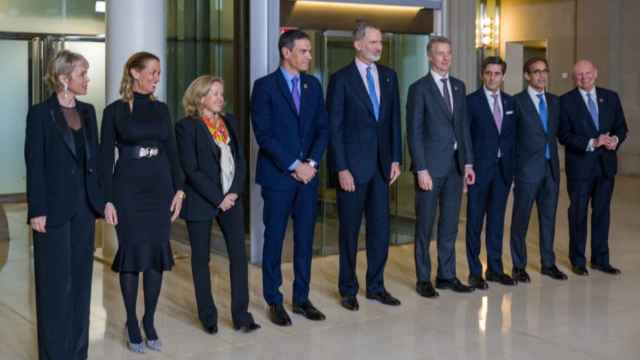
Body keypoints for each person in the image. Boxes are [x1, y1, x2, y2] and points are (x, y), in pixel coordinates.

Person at [100, 51, 185, 353]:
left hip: (160, 187)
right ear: (135, 73)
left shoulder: (162, 110)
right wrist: (107, 200)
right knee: (133, 253)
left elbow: (173, 151)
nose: (156, 78)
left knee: (156, 255)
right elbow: (104, 158)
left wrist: (179, 190)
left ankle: (149, 320)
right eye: (152, 72)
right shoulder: (114, 111)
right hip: (128, 189)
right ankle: (132, 322)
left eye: (159, 73)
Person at [25, 49, 104, 360]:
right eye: (82, 74)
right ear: (63, 78)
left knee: (82, 286)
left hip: (83, 210)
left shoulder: (88, 111)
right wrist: (37, 210)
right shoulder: (40, 113)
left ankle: (77, 353)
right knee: (54, 288)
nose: (87, 79)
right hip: (52, 212)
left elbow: (93, 161)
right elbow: (35, 164)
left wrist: (99, 203)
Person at [250, 29, 329, 326]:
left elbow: (323, 128)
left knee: (305, 240)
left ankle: (301, 298)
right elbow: (265, 135)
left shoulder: (313, 85)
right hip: (279, 178)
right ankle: (274, 299)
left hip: (308, 178)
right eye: (304, 51)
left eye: (309, 51)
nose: (309, 56)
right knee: (274, 239)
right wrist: (294, 164)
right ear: (286, 52)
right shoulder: (265, 87)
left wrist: (310, 163)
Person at [176, 75, 260, 334]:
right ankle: (208, 316)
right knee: (201, 259)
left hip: (232, 199)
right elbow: (191, 169)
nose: (220, 98)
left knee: (238, 256)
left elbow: (240, 161)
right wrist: (218, 198)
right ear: (200, 98)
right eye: (214, 93)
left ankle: (241, 315)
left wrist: (233, 193)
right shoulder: (186, 127)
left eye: (221, 93)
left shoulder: (229, 122)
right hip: (202, 200)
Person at [327, 21, 402, 311]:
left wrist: (396, 158)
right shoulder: (341, 79)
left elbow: (394, 120)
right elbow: (334, 129)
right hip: (353, 170)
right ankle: (348, 289)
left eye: (380, 42)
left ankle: (376, 286)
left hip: (382, 169)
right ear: (357, 44)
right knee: (349, 231)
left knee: (380, 230)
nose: (378, 47)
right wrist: (341, 169)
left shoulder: (389, 77)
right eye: (372, 42)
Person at [406, 36, 476, 298]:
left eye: (448, 53)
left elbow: (463, 128)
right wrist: (420, 168)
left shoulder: (459, 86)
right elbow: (413, 132)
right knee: (425, 226)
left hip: (456, 168)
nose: (445, 58)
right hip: (430, 169)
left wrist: (468, 162)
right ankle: (423, 278)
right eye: (440, 53)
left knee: (449, 225)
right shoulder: (419, 89)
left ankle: (446, 275)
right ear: (429, 56)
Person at [558, 60, 628, 275]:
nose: (584, 77)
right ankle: (578, 260)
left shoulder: (611, 97)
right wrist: (592, 142)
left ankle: (600, 259)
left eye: (587, 73)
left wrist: (615, 139)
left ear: (595, 73)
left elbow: (621, 127)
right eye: (579, 75)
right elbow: (564, 135)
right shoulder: (565, 101)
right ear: (573, 78)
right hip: (580, 168)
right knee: (578, 213)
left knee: (602, 213)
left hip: (605, 166)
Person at [510, 57, 567, 282]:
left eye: (544, 71)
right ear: (527, 76)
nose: (541, 76)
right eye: (536, 72)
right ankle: (518, 265)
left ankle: (548, 263)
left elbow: (560, 133)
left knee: (548, 219)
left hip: (551, 170)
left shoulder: (555, 101)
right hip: (526, 171)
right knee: (520, 220)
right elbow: (511, 139)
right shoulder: (517, 102)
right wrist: (513, 172)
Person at [464, 56, 517, 289]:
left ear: (502, 76)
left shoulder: (511, 102)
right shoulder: (471, 102)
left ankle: (495, 269)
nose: (492, 77)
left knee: (496, 222)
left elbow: (514, 138)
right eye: (488, 73)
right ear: (482, 75)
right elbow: (465, 138)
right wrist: (467, 166)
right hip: (478, 171)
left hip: (503, 172)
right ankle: (475, 272)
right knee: (475, 222)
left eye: (497, 73)